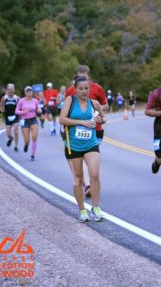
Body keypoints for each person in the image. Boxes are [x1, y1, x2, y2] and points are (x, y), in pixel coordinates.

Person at [59, 76, 106, 222]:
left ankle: (96, 208)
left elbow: (103, 118)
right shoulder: (70, 101)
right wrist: (83, 122)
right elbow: (62, 119)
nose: (84, 91)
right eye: (81, 88)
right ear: (75, 89)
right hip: (73, 145)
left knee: (95, 175)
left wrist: (100, 120)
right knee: (78, 179)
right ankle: (82, 210)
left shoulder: (94, 103)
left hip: (90, 143)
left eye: (86, 88)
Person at [66, 65, 108, 198]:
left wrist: (95, 110)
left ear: (88, 74)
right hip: (75, 131)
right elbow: (65, 112)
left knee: (91, 159)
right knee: (82, 158)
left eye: (84, 73)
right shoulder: (70, 91)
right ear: (76, 75)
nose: (82, 75)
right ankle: (88, 185)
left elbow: (105, 104)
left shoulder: (97, 88)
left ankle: (91, 182)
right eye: (80, 73)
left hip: (95, 130)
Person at [15, 85, 41, 161]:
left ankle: (33, 155)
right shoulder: (21, 101)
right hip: (25, 121)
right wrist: (23, 112)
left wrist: (39, 110)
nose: (29, 92)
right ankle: (26, 145)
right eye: (27, 91)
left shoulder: (35, 101)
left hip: (33, 120)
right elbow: (16, 111)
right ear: (25, 93)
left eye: (30, 91)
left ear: (32, 92)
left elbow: (38, 108)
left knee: (34, 137)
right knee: (27, 140)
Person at [0, 83, 20, 151]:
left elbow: (20, 106)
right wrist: (2, 110)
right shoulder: (4, 98)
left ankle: (16, 146)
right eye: (9, 89)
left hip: (15, 116)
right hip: (7, 117)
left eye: (12, 89)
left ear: (14, 90)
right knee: (8, 134)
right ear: (7, 90)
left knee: (16, 131)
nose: (10, 91)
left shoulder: (16, 98)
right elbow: (0, 105)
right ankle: (10, 138)